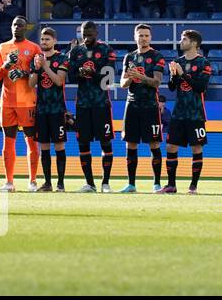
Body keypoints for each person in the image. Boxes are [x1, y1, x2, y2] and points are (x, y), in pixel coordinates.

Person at [66, 21, 117, 192]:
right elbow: (70, 78)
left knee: (105, 143)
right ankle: (90, 183)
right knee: (83, 143)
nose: (86, 34)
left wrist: (92, 73)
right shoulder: (76, 51)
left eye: (89, 31)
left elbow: (108, 81)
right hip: (82, 104)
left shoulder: (106, 50)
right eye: (83, 31)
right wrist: (79, 74)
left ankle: (105, 183)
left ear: (96, 32)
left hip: (101, 104)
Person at [0, 15, 41, 191]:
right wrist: (6, 65)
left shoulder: (34, 48)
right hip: (7, 101)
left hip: (27, 101)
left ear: (25, 28)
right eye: (14, 25)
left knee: (31, 142)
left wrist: (24, 73)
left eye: (20, 25)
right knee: (8, 142)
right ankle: (9, 182)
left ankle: (33, 181)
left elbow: (39, 75)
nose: (16, 28)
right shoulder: (3, 47)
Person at [118, 24, 167, 193]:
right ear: (135, 37)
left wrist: (139, 76)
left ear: (150, 37)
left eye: (146, 35)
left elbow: (156, 82)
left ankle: (156, 183)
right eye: (140, 35)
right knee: (130, 144)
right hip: (131, 105)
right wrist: (131, 78)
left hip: (150, 106)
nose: (143, 38)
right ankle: (131, 184)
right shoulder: (129, 57)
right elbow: (123, 84)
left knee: (154, 143)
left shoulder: (157, 56)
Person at [163, 30, 212, 194]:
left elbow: (200, 87)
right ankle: (171, 185)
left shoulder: (204, 63)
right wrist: (172, 75)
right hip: (179, 112)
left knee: (196, 148)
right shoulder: (177, 61)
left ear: (194, 43)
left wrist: (183, 74)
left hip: (195, 113)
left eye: (184, 39)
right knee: (170, 146)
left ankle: (193, 186)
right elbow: (171, 87)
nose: (181, 42)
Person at [31, 27, 69, 191]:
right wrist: (36, 69)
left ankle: (60, 183)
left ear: (54, 41)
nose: (44, 42)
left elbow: (59, 81)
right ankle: (47, 183)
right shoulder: (36, 59)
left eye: (47, 39)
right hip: (41, 110)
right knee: (44, 146)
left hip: (57, 110)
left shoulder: (61, 58)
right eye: (42, 39)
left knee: (59, 145)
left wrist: (45, 66)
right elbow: (31, 84)